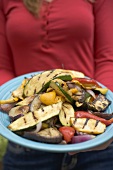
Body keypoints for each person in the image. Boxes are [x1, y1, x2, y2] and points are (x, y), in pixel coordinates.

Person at [0, 0, 113, 170]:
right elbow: (2, 67)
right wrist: (18, 102)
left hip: (96, 145)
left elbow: (107, 60)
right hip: (26, 145)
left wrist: (101, 111)